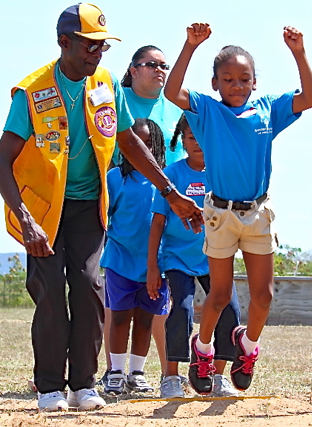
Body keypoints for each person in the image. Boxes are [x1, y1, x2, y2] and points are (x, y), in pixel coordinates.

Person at [0, 4, 202, 412]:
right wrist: (26, 219)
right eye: (89, 46)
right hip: (43, 213)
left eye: (102, 47)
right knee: (51, 291)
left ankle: (83, 385)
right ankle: (50, 387)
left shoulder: (104, 86)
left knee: (89, 287)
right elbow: (1, 163)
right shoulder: (31, 91)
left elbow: (129, 142)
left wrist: (170, 192)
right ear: (64, 42)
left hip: (89, 205)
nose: (97, 54)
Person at [164, 23, 312, 394]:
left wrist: (299, 53)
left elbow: (310, 98)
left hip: (257, 213)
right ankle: (202, 349)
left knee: (264, 296)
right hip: (220, 214)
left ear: (254, 83)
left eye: (244, 78)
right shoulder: (206, 112)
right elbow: (173, 92)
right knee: (218, 296)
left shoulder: (269, 110)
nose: (236, 85)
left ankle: (247, 346)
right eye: (228, 78)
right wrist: (189, 46)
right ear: (215, 83)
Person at [102, 45, 182, 386]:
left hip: (160, 229)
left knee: (155, 311)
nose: (159, 70)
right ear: (133, 70)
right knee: (113, 309)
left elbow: (179, 162)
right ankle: (110, 371)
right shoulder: (111, 99)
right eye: (151, 64)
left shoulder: (176, 107)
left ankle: (160, 375)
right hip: (121, 227)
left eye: (164, 65)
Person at [147, 115, 241, 398]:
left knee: (230, 310)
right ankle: (171, 376)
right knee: (183, 310)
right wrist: (152, 266)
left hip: (216, 256)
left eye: (202, 137)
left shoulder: (221, 174)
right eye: (190, 137)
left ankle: (218, 376)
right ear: (182, 140)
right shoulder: (172, 175)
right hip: (178, 257)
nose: (197, 143)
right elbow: (157, 222)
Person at [100, 118, 170, 395]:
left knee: (145, 320)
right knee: (119, 318)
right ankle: (115, 371)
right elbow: (105, 218)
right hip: (120, 260)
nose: (143, 148)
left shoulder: (166, 181)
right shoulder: (115, 178)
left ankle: (136, 372)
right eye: (137, 143)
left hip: (157, 265)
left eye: (149, 143)